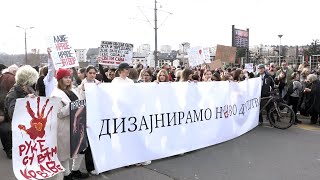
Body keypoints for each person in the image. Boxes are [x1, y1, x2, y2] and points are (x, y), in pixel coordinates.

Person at [50, 68, 89, 180]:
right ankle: (65, 175)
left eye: (69, 77)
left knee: (71, 152)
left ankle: (68, 174)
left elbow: (80, 101)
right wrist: (73, 106)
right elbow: (59, 113)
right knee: (63, 155)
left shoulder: (72, 90)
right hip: (64, 128)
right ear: (59, 79)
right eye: (65, 77)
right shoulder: (55, 94)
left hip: (75, 125)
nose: (68, 80)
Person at [2, 65, 39, 159]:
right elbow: (13, 113)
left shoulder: (29, 89)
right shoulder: (13, 94)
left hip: (30, 129)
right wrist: (26, 100)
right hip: (19, 131)